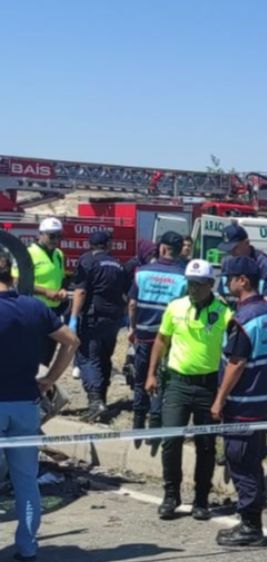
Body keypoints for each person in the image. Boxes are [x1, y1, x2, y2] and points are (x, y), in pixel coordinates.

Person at [212, 256, 267, 547]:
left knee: (241, 461)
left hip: (243, 404)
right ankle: (252, 520)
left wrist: (219, 400)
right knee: (253, 460)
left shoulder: (244, 318)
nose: (226, 282)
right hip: (266, 400)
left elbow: (236, 363)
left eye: (229, 277)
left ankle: (250, 527)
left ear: (242, 280)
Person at [1, 256, 79, 562]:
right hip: (25, 404)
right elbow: (71, 341)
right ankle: (28, 548)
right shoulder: (33, 308)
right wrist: (48, 380)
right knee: (25, 480)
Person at [147, 259, 232, 521]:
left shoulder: (224, 312)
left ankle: (201, 499)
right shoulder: (175, 307)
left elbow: (234, 348)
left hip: (207, 386)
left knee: (205, 445)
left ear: (210, 284)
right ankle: (171, 495)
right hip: (176, 384)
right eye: (189, 283)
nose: (192, 289)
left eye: (198, 284)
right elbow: (161, 339)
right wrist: (151, 374)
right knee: (171, 441)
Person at [129, 232, 188, 440]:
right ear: (181, 250)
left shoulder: (141, 273)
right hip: (168, 339)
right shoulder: (184, 277)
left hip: (143, 334)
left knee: (140, 378)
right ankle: (155, 423)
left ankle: (137, 422)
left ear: (161, 248)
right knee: (161, 380)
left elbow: (133, 304)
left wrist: (133, 328)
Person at [70, 230, 129, 422]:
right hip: (113, 319)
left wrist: (73, 319)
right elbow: (125, 294)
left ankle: (96, 401)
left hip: (93, 317)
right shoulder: (117, 264)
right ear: (108, 244)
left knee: (88, 357)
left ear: (90, 244)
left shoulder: (87, 261)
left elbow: (80, 292)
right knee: (104, 358)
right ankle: (101, 400)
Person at [11, 217, 68, 366]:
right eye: (52, 235)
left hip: (53, 310)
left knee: (48, 352)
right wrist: (45, 292)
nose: (55, 239)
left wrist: (61, 290)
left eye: (58, 235)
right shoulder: (28, 254)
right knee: (32, 351)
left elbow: (60, 279)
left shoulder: (58, 255)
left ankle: (42, 383)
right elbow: (18, 281)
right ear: (40, 234)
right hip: (33, 309)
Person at [217, 223, 267, 303]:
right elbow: (221, 296)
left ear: (247, 243)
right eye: (228, 249)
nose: (232, 253)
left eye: (235, 248)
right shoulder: (227, 263)